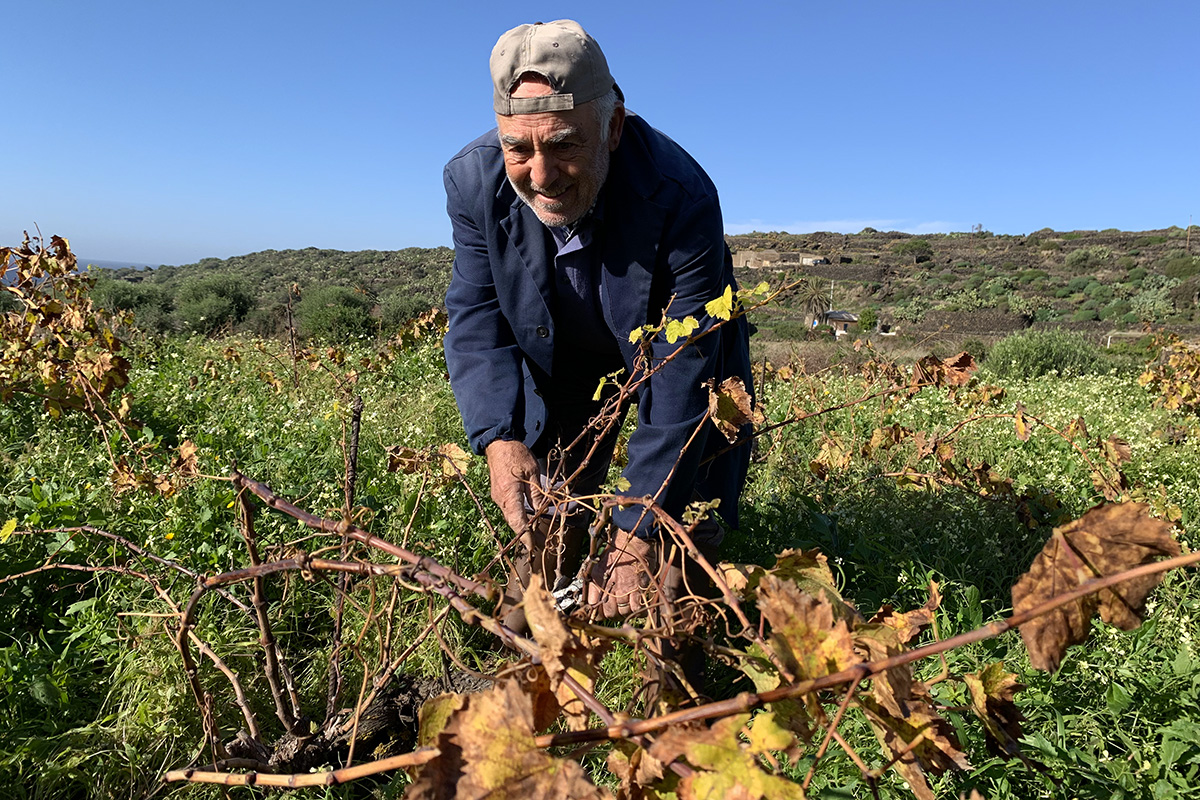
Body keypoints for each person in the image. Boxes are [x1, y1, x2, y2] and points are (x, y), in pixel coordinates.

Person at [442, 20, 753, 646]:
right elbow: (476, 315)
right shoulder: (473, 183)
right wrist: (499, 437)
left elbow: (683, 366)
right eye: (519, 150)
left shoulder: (680, 193)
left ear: (612, 127)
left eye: (564, 145)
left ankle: (681, 674)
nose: (542, 174)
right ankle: (525, 646)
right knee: (547, 521)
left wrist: (640, 523)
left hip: (678, 356)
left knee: (678, 538)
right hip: (562, 358)